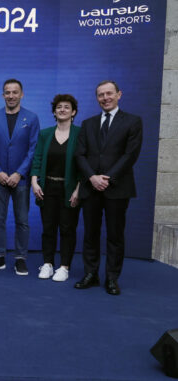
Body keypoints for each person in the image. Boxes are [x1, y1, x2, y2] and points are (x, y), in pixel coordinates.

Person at [74, 80, 142, 295]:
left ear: (119, 94)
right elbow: (79, 154)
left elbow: (130, 155)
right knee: (90, 234)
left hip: (117, 188)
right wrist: (93, 178)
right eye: (101, 95)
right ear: (97, 98)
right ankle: (91, 274)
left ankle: (112, 278)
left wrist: (108, 178)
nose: (105, 98)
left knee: (115, 235)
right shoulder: (88, 124)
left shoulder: (133, 121)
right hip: (91, 187)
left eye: (109, 94)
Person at [0, 79, 40, 276]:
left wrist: (19, 173)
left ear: (22, 94)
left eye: (14, 92)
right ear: (2, 95)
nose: (11, 96)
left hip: (21, 179)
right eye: (7, 92)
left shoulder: (31, 118)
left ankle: (20, 258)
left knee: (22, 220)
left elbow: (34, 149)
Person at [30, 94, 81, 282]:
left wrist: (78, 189)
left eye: (67, 107)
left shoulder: (80, 134)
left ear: (73, 112)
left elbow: (84, 164)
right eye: (59, 107)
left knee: (68, 228)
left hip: (69, 189)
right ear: (54, 111)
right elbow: (37, 159)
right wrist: (34, 182)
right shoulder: (45, 134)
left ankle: (64, 267)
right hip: (47, 187)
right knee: (48, 228)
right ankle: (48, 264)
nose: (62, 110)